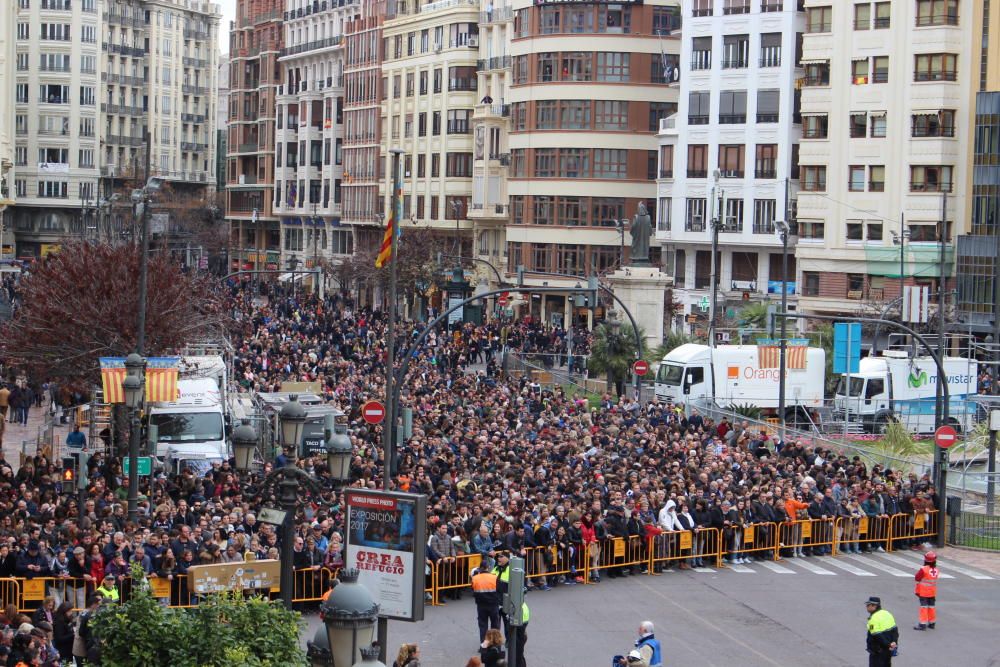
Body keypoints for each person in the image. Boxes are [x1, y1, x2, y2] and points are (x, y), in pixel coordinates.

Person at [864, 596, 898, 667]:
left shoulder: (873, 619)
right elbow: (895, 630)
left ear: (874, 606)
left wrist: (888, 644)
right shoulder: (887, 614)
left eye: (868, 605)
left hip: (878, 651)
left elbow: (877, 636)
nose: (866, 607)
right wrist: (894, 643)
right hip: (889, 650)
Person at [471, 562, 501, 642]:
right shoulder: (494, 577)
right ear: (488, 568)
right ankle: (495, 645)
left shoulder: (475, 578)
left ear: (480, 568)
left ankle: (484, 646)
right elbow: (499, 591)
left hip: (481, 605)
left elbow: (473, 591)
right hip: (493, 605)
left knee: (483, 626)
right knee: (495, 625)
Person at [913, 550, 939, 630]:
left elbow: (917, 578)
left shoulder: (924, 569)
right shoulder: (936, 570)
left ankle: (922, 624)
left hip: (924, 592)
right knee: (932, 607)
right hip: (932, 592)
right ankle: (932, 623)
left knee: (923, 607)